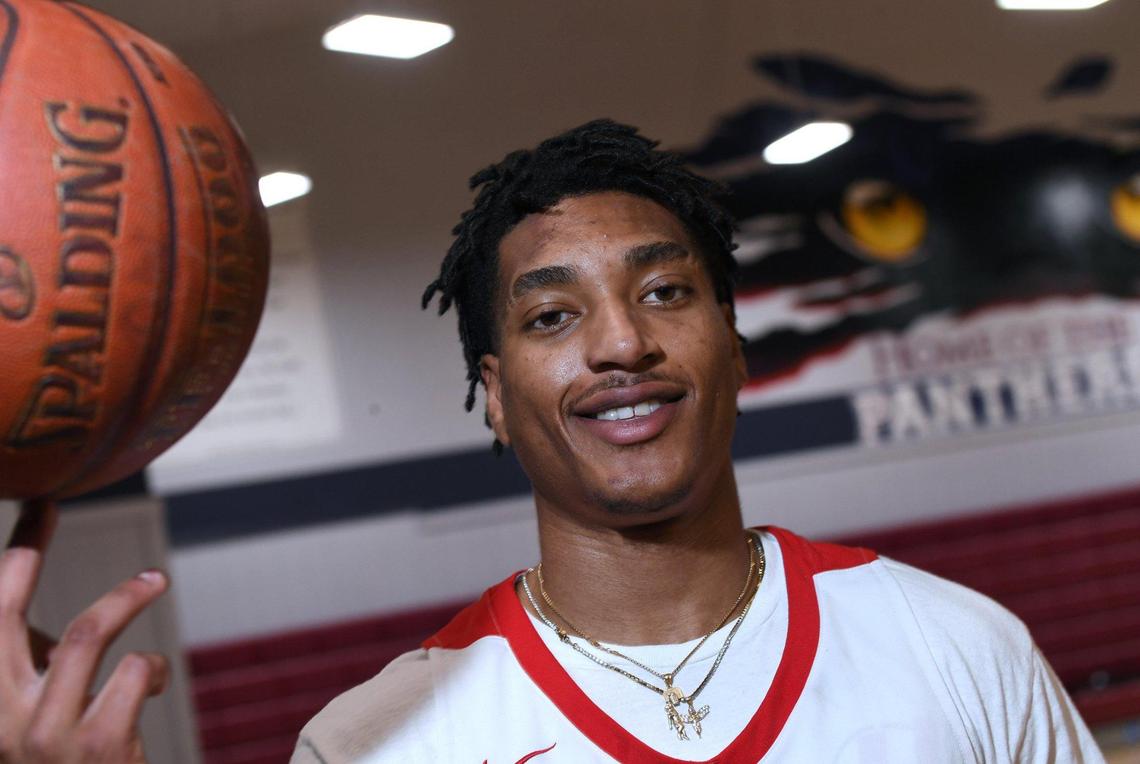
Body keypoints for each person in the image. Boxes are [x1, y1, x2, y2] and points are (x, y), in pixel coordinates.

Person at [0, 120, 1103, 763]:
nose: (622, 341)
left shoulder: (960, 647)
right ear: (491, 390)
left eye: (666, 290)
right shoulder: (376, 743)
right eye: (551, 315)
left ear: (732, 340)